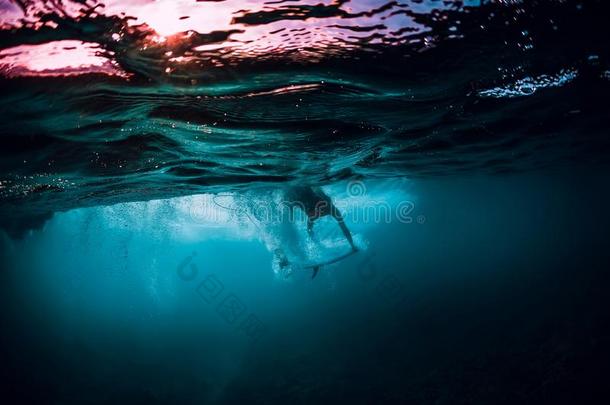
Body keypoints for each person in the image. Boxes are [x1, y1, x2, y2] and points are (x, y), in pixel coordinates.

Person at [286, 186, 357, 252]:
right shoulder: (318, 205)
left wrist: (352, 245)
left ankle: (317, 246)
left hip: (312, 200)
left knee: (309, 227)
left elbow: (344, 228)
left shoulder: (330, 209)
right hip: (310, 198)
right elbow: (344, 228)